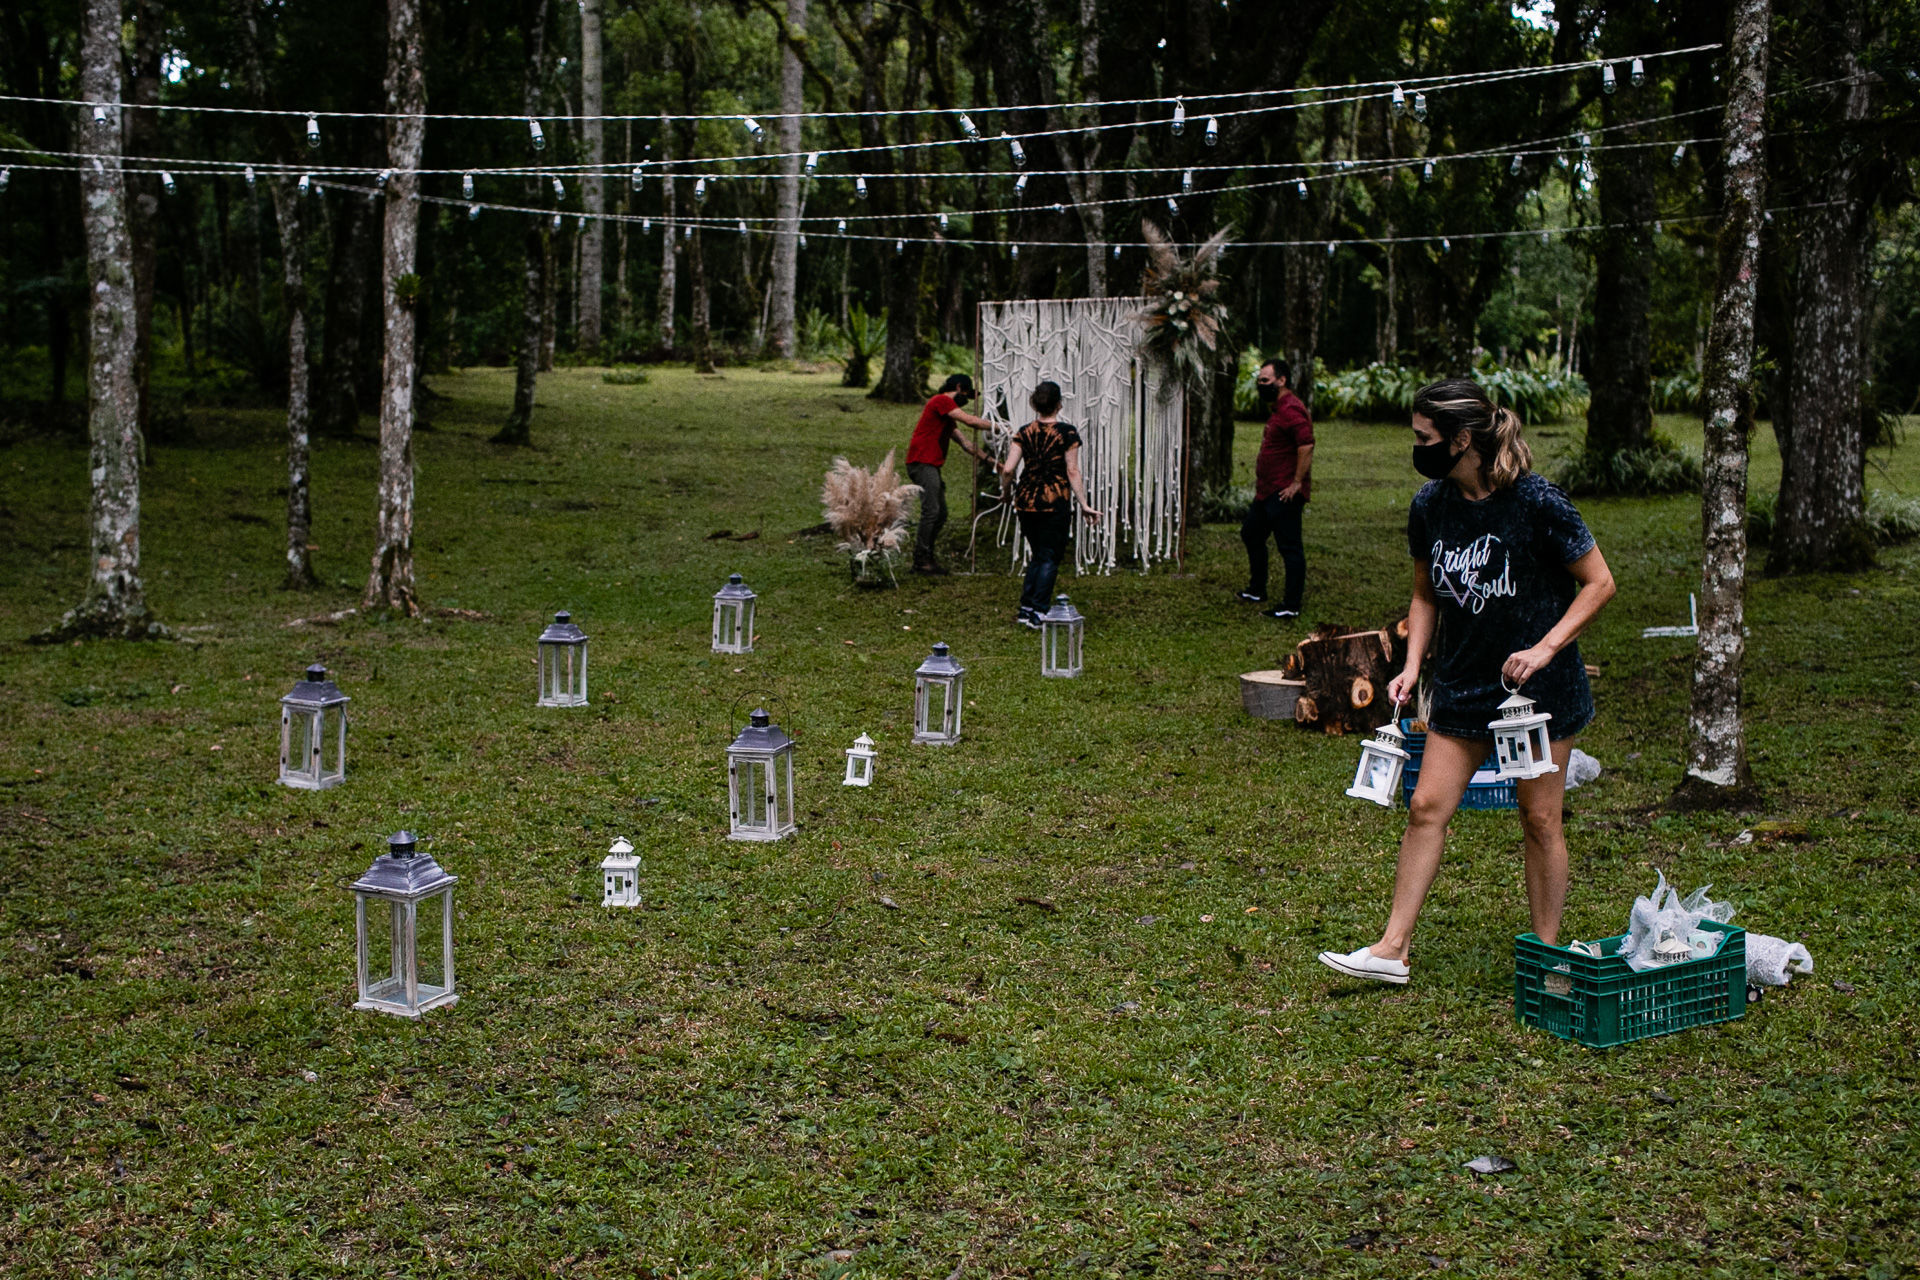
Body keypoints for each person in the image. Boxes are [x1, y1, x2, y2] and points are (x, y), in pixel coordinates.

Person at [1318, 378, 1616, 986]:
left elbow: (1600, 583)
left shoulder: (1537, 502)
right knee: (1426, 806)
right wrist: (1411, 664)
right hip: (1463, 684)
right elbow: (1425, 594)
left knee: (1539, 819)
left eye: (1425, 438)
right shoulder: (1430, 504)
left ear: (1461, 439)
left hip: (1538, 695)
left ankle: (1543, 950)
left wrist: (1544, 648)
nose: (1417, 448)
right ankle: (1392, 948)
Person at [1000, 380, 1100, 628]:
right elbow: (1073, 470)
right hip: (1054, 501)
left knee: (1038, 553)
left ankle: (1026, 607)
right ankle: (1039, 612)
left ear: (1035, 404)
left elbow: (1008, 468)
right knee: (1049, 557)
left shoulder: (1024, 432)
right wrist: (1084, 504)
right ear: (1059, 404)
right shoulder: (1067, 433)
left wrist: (1005, 493)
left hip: (1025, 500)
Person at [1239, 357, 1315, 619]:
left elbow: (1306, 445)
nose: (1261, 385)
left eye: (1265, 380)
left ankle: (1291, 605)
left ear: (1281, 380)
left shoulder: (1291, 409)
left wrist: (1296, 482)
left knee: (1290, 547)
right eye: (1259, 380)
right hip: (1267, 491)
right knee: (1251, 533)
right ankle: (1257, 588)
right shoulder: (1278, 409)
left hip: (1283, 492)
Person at [905, 374, 996, 574]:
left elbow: (967, 444)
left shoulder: (946, 418)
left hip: (930, 465)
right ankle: (921, 560)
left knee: (941, 513)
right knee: (931, 511)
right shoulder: (941, 400)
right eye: (966, 394)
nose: (966, 401)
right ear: (957, 387)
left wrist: (991, 462)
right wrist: (1001, 427)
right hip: (922, 462)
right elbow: (970, 421)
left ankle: (926, 555)